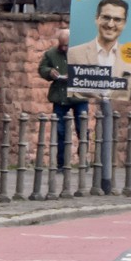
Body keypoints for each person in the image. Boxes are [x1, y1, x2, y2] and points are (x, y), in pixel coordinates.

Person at [67, 0, 131, 100]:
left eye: (117, 19)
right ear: (97, 18)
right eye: (106, 17)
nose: (110, 24)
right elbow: (68, 95)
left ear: (124, 23)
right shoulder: (74, 54)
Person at [37, 28, 87, 168]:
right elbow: (42, 68)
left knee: (82, 129)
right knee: (60, 131)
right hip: (60, 96)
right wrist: (49, 72)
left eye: (66, 45)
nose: (64, 48)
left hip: (79, 96)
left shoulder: (82, 52)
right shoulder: (51, 53)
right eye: (62, 44)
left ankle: (83, 159)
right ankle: (61, 163)